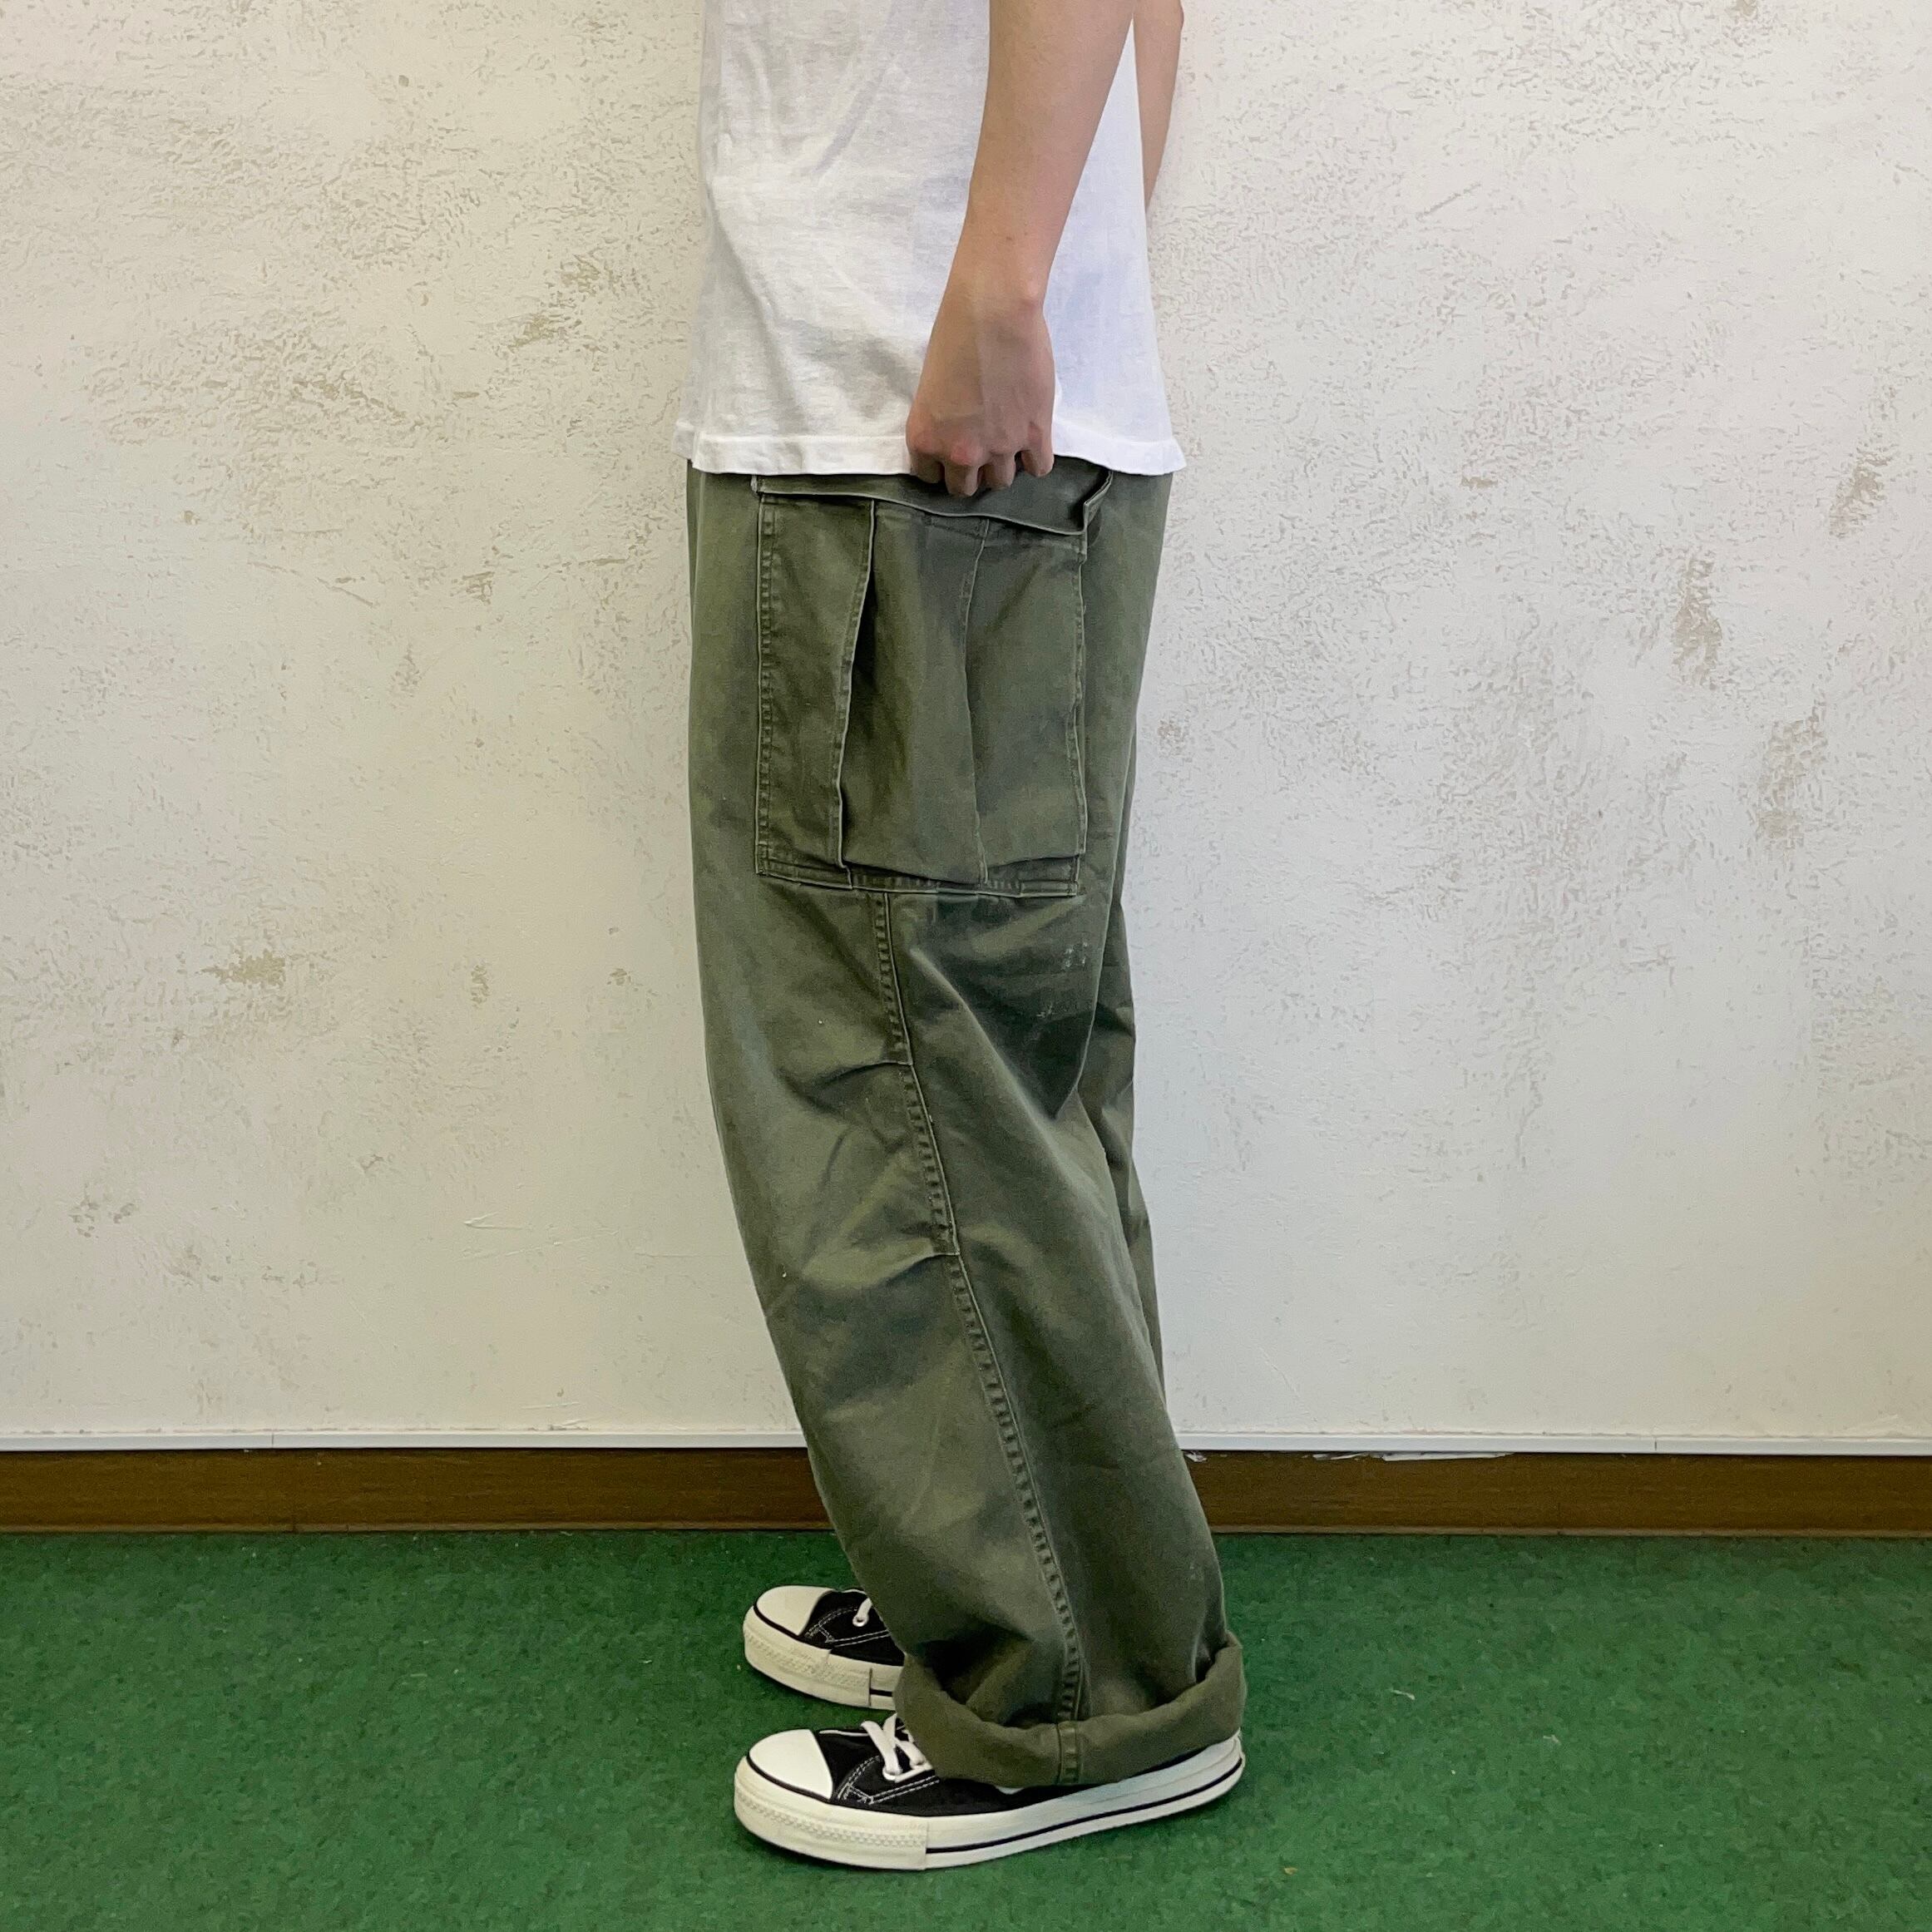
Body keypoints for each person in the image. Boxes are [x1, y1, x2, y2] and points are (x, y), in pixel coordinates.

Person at [678, 0, 1245, 1870]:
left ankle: (1068, 1691)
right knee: (1006, 1057)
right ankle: (1042, 1575)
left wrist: (1005, 284)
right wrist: (1052, 276)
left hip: (899, 414)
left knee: (897, 1069)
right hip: (937, 390)